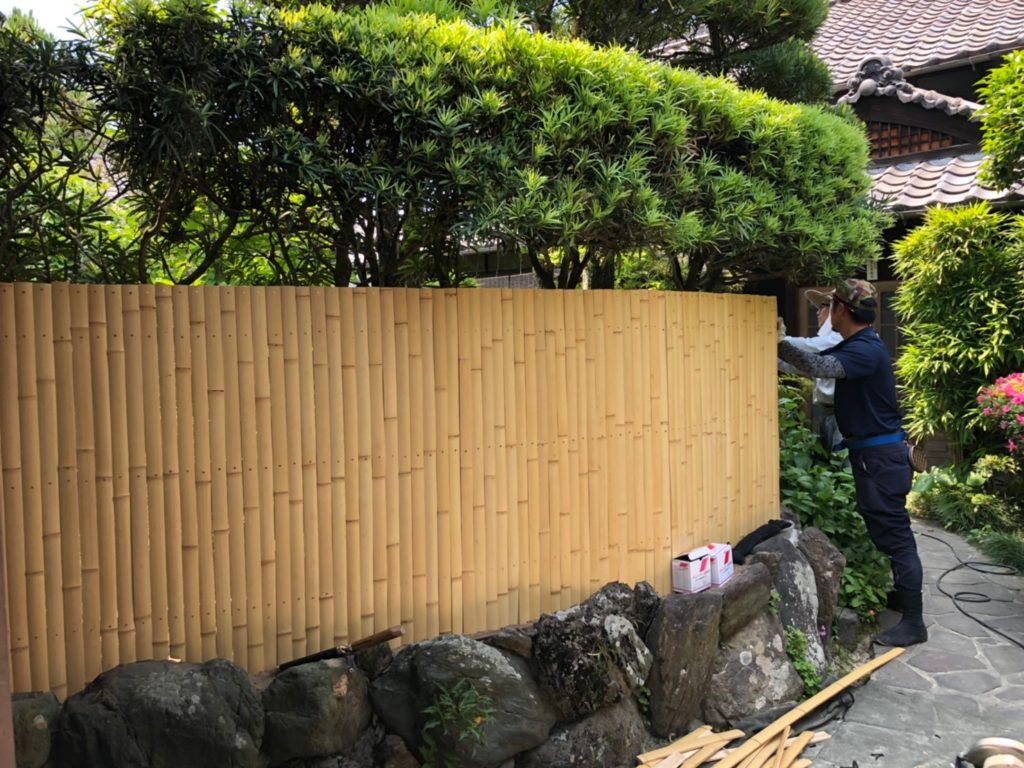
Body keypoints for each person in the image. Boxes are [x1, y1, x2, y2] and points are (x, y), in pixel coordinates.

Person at [777, 278, 926, 647]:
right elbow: (814, 364)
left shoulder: (865, 349)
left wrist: (778, 342)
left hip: (880, 458)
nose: (826, 313)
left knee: (897, 538)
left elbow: (818, 365)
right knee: (887, 533)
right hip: (876, 457)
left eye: (830, 306)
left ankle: (914, 622)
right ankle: (904, 598)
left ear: (841, 310)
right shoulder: (859, 344)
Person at [779, 292, 844, 452]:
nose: (817, 312)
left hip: (842, 413)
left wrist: (777, 338)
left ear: (837, 309)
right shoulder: (829, 339)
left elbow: (807, 346)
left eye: (823, 307)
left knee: (842, 459)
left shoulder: (840, 339)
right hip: (823, 411)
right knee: (827, 459)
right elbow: (795, 365)